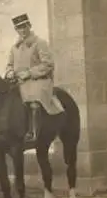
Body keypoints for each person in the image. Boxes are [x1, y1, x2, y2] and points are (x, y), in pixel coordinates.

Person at [5, 13, 64, 142]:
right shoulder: (15, 48)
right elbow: (9, 65)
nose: (22, 30)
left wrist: (29, 73)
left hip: (39, 80)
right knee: (5, 100)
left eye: (24, 26)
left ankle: (33, 133)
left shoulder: (40, 43)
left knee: (34, 102)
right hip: (20, 82)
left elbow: (48, 64)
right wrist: (9, 72)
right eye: (19, 28)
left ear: (29, 26)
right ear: (16, 30)